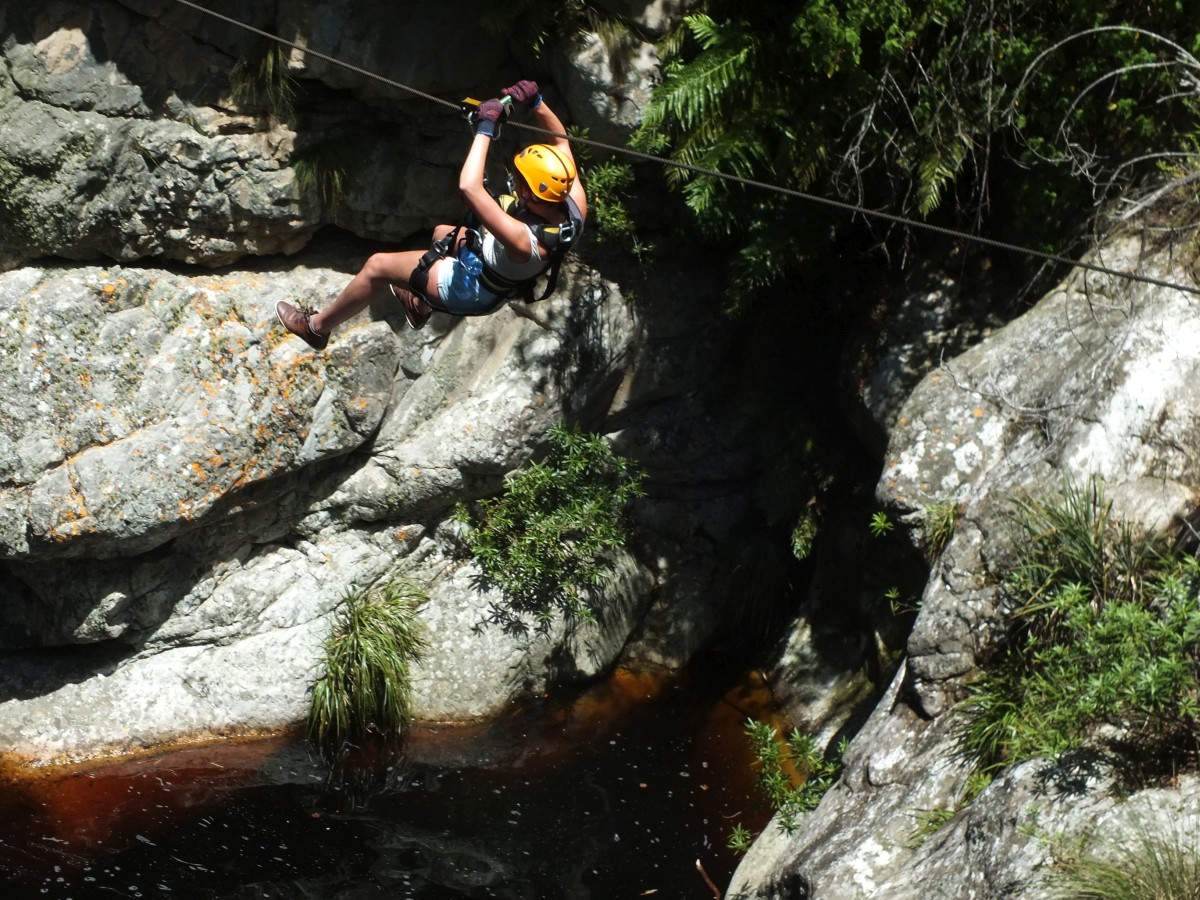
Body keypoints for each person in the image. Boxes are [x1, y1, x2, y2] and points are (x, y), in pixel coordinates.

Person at [276, 80, 588, 349]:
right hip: (495, 268)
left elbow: (470, 187)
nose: (515, 182)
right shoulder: (572, 203)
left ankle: (316, 328)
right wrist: (536, 102)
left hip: (473, 288)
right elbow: (560, 141)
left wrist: (485, 129)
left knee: (377, 266)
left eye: (519, 179)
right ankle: (419, 303)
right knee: (441, 233)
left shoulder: (523, 240)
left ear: (531, 194)